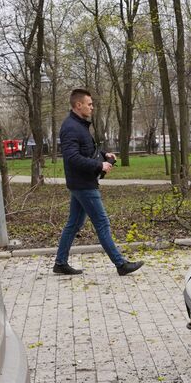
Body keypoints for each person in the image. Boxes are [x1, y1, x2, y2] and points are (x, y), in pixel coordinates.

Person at [53, 88, 142, 276]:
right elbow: (72, 158)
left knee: (74, 224)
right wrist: (99, 165)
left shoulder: (79, 125)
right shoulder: (70, 127)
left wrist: (104, 155)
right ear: (79, 105)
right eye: (89, 104)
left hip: (81, 182)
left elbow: (85, 151)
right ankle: (121, 264)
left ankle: (60, 263)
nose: (92, 107)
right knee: (102, 223)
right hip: (83, 183)